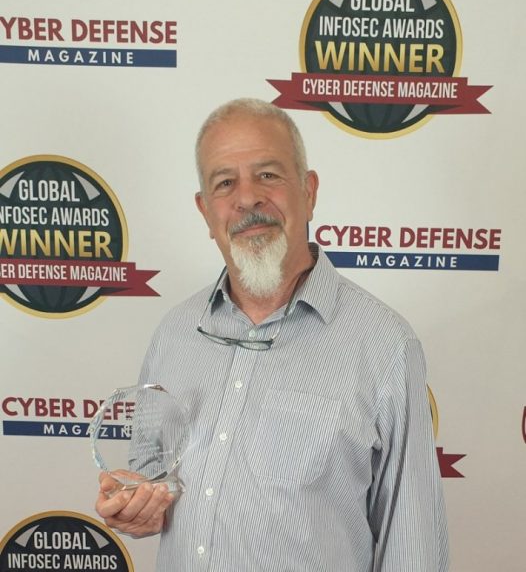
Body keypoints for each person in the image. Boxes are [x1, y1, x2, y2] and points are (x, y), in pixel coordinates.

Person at [96, 98, 449, 571]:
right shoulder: (174, 334)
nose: (247, 199)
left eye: (267, 175)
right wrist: (137, 507)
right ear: (205, 211)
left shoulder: (384, 344)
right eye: (225, 183)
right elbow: (149, 479)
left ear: (309, 190)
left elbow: (413, 546)